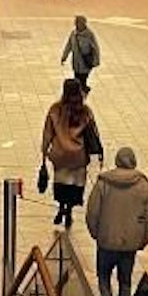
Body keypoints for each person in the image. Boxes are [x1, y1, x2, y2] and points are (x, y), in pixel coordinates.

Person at [86, 146, 148, 296]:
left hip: (106, 241)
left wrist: (96, 234)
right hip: (129, 245)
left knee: (103, 276)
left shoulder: (103, 183)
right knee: (125, 281)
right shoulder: (142, 185)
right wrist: (142, 241)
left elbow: (92, 213)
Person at [42, 78, 102, 227]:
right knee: (75, 184)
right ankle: (69, 210)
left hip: (61, 155)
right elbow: (93, 133)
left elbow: (48, 133)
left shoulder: (56, 109)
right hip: (78, 156)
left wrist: (44, 151)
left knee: (61, 182)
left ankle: (61, 207)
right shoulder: (85, 111)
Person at [61, 15, 101, 87]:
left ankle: (82, 91)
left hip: (85, 62)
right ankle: (80, 92)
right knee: (77, 78)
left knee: (82, 79)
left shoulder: (89, 34)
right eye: (75, 22)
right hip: (76, 63)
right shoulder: (73, 33)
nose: (76, 24)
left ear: (83, 24)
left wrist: (96, 61)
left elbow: (95, 48)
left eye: (77, 23)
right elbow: (69, 45)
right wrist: (64, 56)